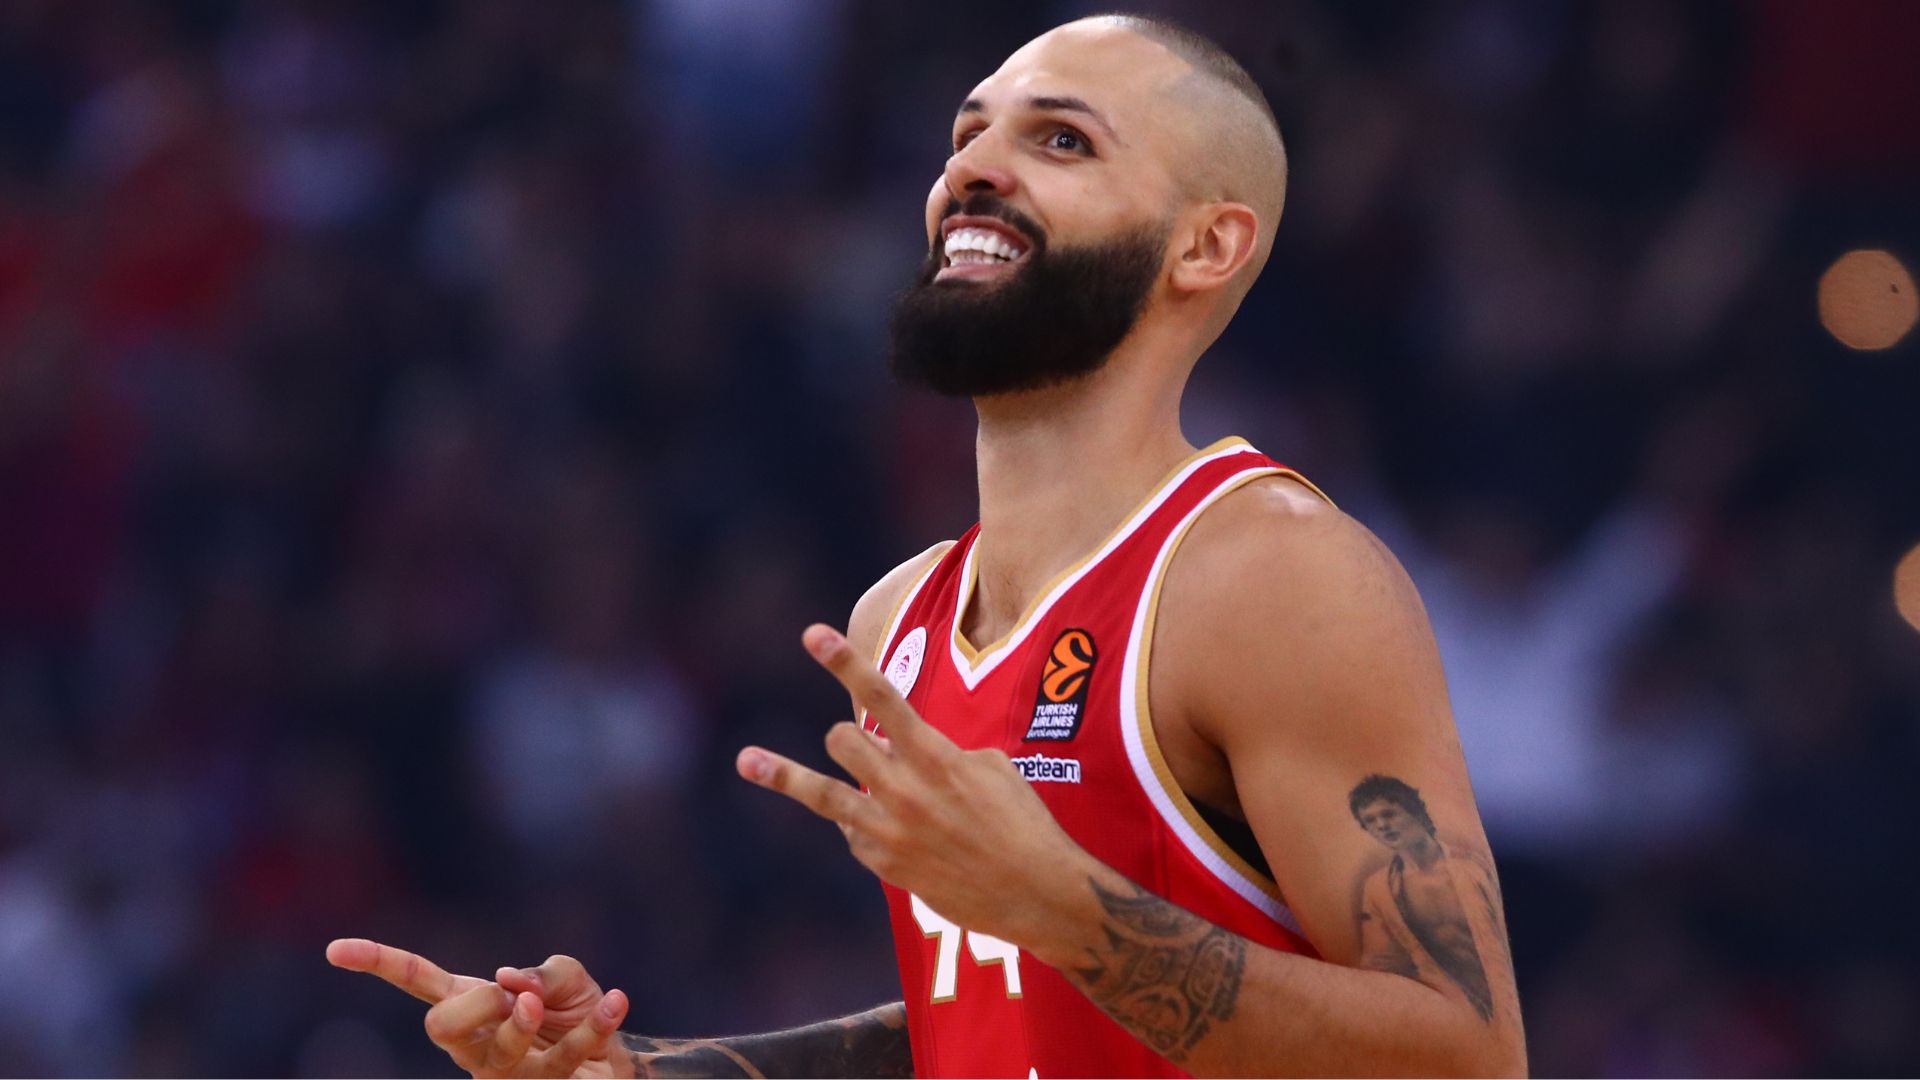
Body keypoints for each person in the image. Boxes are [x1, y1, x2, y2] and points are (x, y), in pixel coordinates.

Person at [328, 13, 1526, 1077]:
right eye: (967, 133)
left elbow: (1468, 1059)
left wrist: (1071, 913)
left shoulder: (1266, 574)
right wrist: (644, 1074)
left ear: (1204, 246)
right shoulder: (897, 619)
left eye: (1063, 141)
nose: (972, 168)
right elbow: (998, 1018)